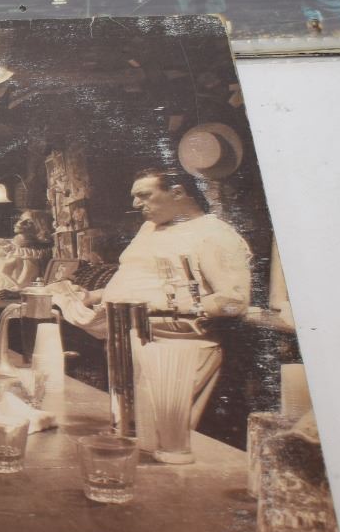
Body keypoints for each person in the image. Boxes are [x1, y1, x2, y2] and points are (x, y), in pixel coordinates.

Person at [55, 169, 252, 452]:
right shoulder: (150, 227)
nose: (135, 204)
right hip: (128, 341)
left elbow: (234, 300)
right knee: (126, 434)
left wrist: (159, 306)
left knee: (159, 441)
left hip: (175, 349)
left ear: (178, 192)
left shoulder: (215, 234)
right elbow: (142, 278)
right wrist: (92, 296)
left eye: (144, 195)